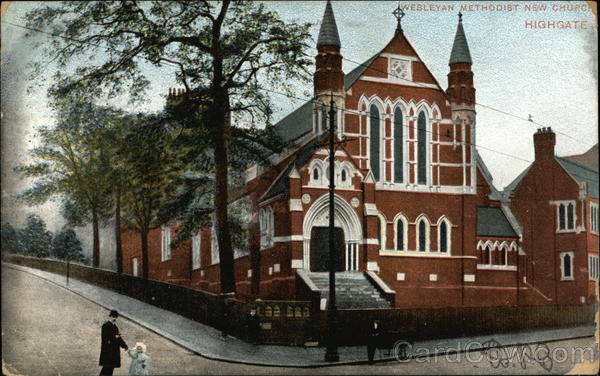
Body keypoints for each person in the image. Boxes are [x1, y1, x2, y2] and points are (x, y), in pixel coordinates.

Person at [99, 310, 128, 376]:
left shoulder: (115, 327)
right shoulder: (105, 326)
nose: (114, 318)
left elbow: (118, 338)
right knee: (106, 368)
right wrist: (115, 337)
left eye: (115, 317)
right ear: (110, 317)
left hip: (114, 351)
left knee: (110, 368)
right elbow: (105, 338)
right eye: (113, 317)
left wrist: (124, 346)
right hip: (108, 350)